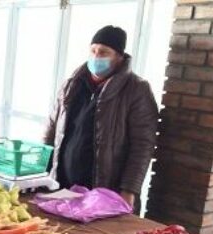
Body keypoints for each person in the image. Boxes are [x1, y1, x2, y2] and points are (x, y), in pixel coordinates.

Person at [44, 25, 158, 210]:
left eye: (104, 52)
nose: (96, 56)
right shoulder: (72, 84)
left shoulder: (136, 89)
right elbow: (51, 128)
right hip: (63, 185)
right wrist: (41, 171)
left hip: (105, 189)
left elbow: (143, 145)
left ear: (119, 57)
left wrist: (129, 189)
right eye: (93, 50)